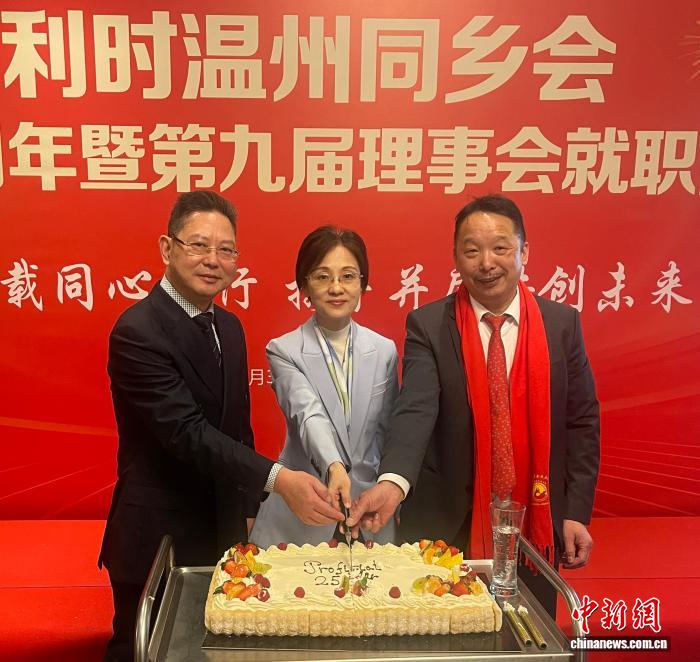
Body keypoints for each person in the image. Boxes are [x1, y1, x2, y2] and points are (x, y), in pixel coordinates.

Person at [99, 192, 342, 661]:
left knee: (216, 650)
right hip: (160, 537)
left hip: (223, 532)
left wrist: (250, 508)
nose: (213, 260)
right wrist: (279, 479)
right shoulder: (138, 331)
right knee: (144, 650)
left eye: (226, 249)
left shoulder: (228, 327)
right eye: (198, 245)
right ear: (167, 248)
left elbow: (236, 428)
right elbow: (186, 432)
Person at [347, 194, 600, 616]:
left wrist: (575, 512)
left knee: (528, 634)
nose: (486, 263)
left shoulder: (561, 324)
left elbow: (581, 421)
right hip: (447, 524)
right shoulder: (429, 325)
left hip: (534, 521)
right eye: (471, 250)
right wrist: (392, 483)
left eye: (500, 247)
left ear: (523, 252)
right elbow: (415, 410)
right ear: (455, 257)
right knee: (437, 638)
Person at [251, 226, 399, 547]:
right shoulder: (284, 350)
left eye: (348, 276)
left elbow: (387, 433)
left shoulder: (384, 350)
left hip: (368, 514)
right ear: (304, 285)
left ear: (362, 283)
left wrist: (388, 492)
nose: (336, 288)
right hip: (302, 514)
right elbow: (307, 414)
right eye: (322, 276)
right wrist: (334, 466)